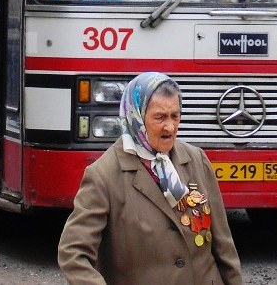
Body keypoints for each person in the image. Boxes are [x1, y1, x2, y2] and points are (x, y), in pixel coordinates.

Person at [57, 72, 243, 285]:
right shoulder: (104, 175)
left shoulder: (195, 159)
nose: (170, 127)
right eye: (160, 117)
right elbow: (73, 254)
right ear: (135, 117)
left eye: (175, 116)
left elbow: (224, 246)